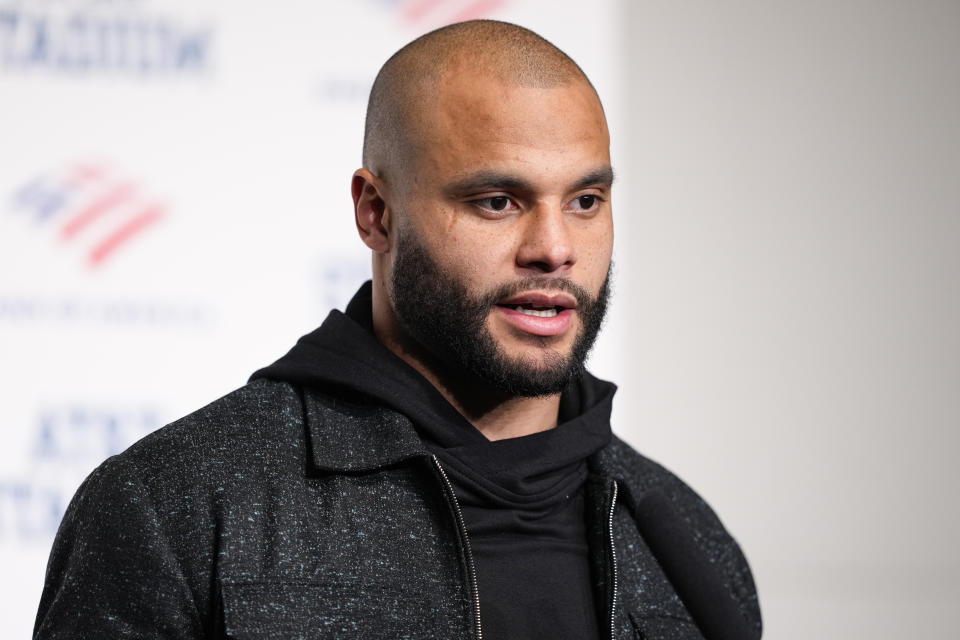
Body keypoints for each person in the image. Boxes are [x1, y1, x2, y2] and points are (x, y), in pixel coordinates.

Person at [34, 20, 761, 640]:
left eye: (585, 199)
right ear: (375, 213)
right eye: (499, 200)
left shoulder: (685, 541)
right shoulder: (175, 507)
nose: (554, 246)